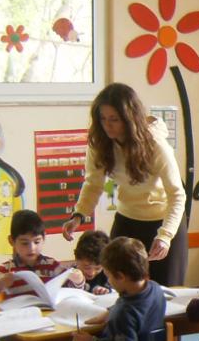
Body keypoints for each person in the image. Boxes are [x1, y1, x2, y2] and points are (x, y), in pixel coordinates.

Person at [60, 83, 188, 286]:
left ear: (129, 119)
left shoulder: (156, 145)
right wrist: (78, 215)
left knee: (164, 291)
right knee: (119, 284)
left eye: (114, 119)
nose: (107, 125)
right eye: (103, 119)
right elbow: (93, 183)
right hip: (127, 218)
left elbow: (177, 195)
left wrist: (165, 236)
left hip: (162, 221)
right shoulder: (100, 143)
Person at [0, 209, 81, 303]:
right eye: (24, 243)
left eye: (37, 242)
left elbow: (73, 290)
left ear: (44, 238)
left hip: (47, 314)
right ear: (12, 241)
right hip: (21, 314)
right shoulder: (6, 268)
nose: (32, 248)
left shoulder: (52, 266)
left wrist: (78, 280)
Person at [71, 229, 112, 294]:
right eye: (87, 267)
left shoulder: (106, 275)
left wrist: (104, 291)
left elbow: (110, 290)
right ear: (77, 259)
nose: (91, 273)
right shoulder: (71, 274)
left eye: (98, 268)